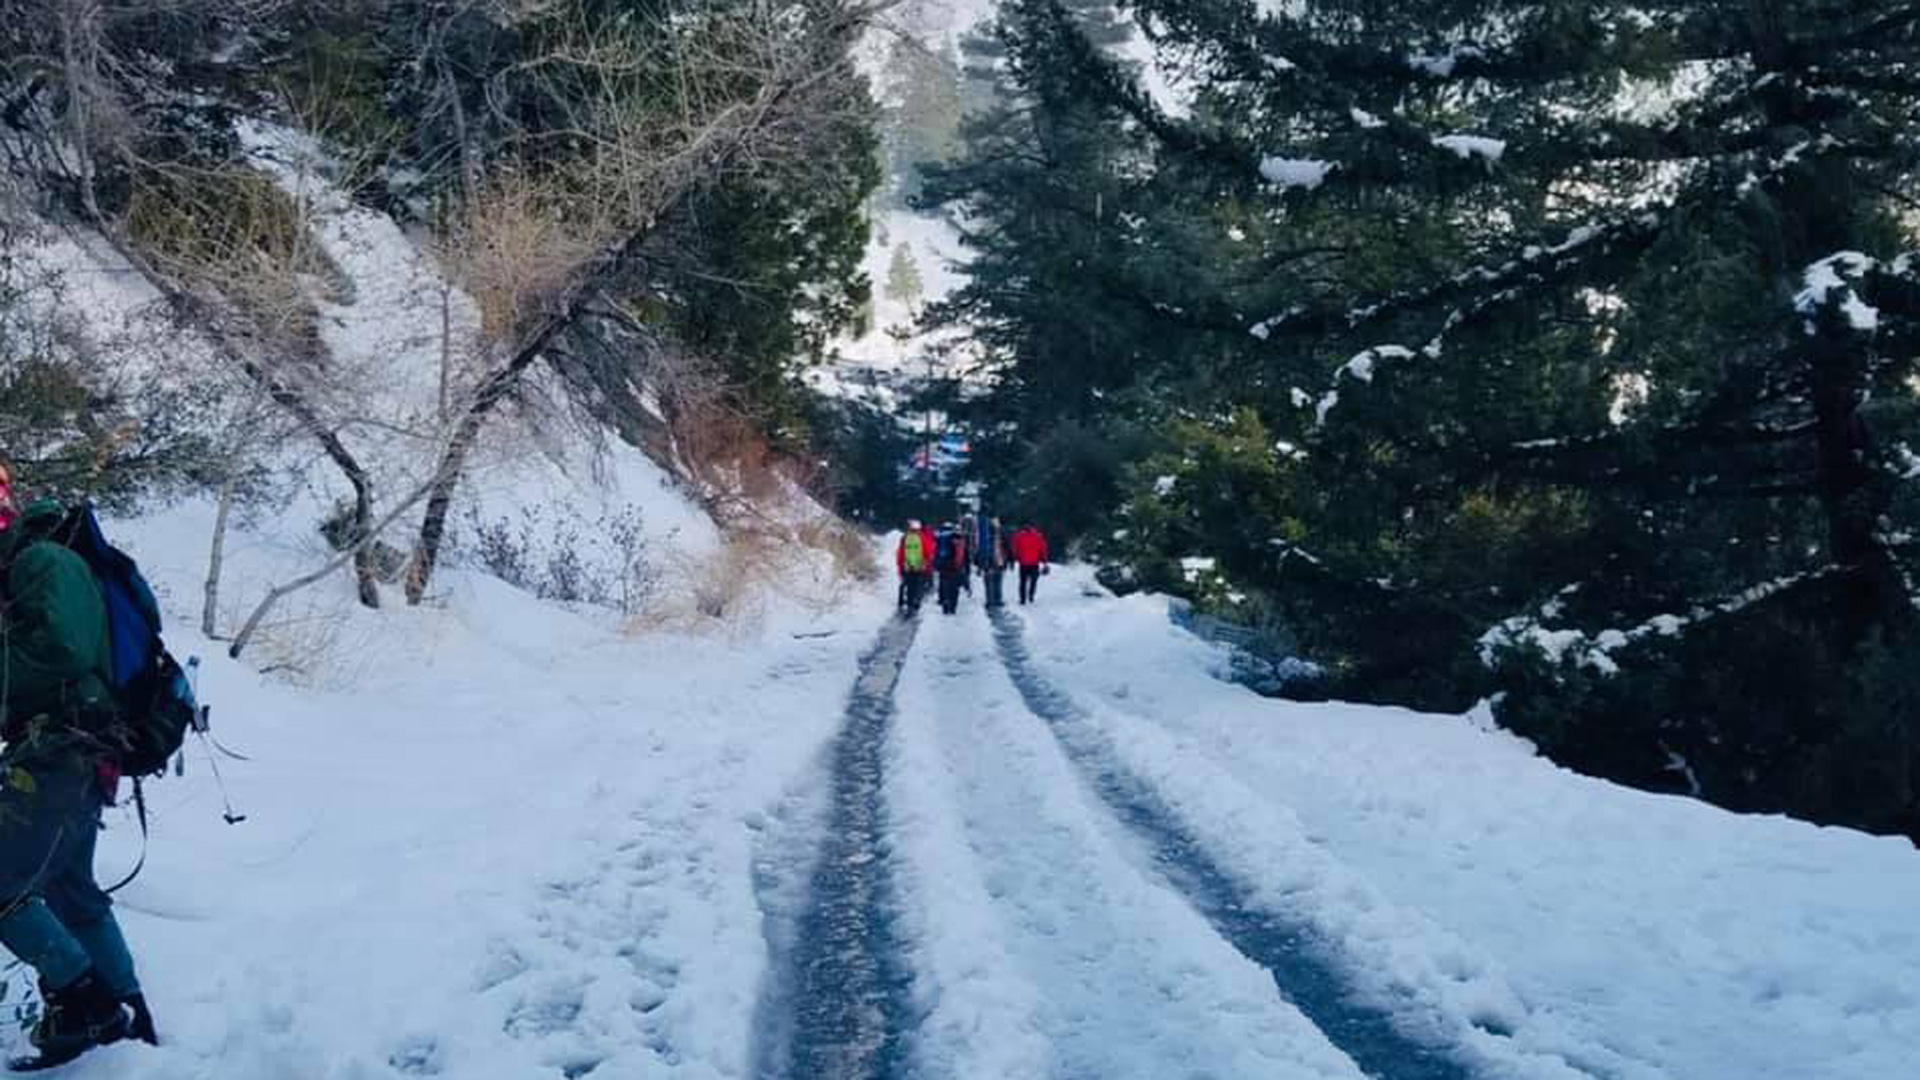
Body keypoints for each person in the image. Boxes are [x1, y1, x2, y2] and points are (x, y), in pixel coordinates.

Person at [0, 462, 157, 1071]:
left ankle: (82, 1000)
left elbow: (62, 648)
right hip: (79, 752)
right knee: (70, 889)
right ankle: (130, 1020)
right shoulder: (32, 566)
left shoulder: (41, 563)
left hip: (62, 751)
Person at [895, 519, 936, 615]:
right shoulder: (921, 537)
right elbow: (928, 551)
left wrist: (900, 565)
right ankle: (916, 602)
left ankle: (909, 605)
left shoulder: (904, 538)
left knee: (909, 586)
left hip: (908, 566)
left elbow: (900, 553)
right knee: (918, 585)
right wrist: (928, 561)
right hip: (919, 566)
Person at [1011, 522, 1050, 605]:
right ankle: (1031, 596)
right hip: (1034, 563)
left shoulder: (1019, 536)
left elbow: (1015, 548)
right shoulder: (1038, 536)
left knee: (1023, 581)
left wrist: (1017, 557)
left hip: (1023, 562)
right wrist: (1045, 561)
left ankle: (1022, 599)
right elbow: (1043, 549)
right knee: (1033, 581)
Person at [934, 523, 969, 615]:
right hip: (956, 567)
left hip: (943, 566)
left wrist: (936, 565)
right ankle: (953, 607)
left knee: (944, 585)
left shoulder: (940, 538)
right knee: (954, 588)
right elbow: (964, 555)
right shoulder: (958, 539)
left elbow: (936, 552)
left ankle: (945, 604)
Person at [976, 516, 1009, 609]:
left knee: (988, 581)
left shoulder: (984, 535)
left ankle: (990, 600)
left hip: (988, 560)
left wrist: (979, 563)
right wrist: (1008, 560)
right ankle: (997, 599)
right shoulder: (1001, 534)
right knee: (997, 581)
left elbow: (979, 549)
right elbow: (1007, 547)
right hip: (999, 560)